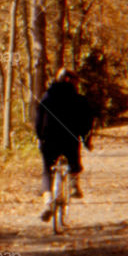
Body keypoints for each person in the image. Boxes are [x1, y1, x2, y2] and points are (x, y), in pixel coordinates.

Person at [35, 68, 94, 221]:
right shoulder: (79, 99)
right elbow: (87, 122)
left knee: (47, 171)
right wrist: (86, 140)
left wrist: (39, 137)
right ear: (71, 81)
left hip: (48, 141)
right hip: (70, 140)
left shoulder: (46, 97)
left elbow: (38, 120)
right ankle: (74, 185)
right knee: (74, 162)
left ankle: (48, 202)